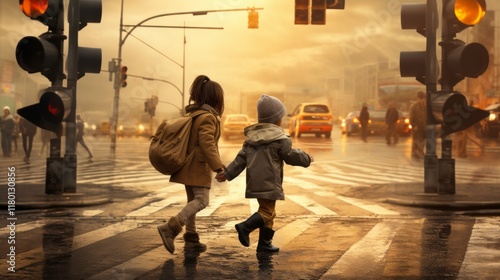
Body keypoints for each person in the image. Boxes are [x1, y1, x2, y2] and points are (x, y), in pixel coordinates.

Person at [216, 95, 314, 253]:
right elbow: (290, 156)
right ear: (277, 119)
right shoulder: (280, 139)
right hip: (270, 181)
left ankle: (265, 243)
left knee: (268, 211)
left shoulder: (251, 139)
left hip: (255, 181)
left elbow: (240, 159)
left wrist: (227, 174)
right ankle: (245, 227)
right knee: (267, 212)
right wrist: (306, 158)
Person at [157, 75, 226, 254]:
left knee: (192, 201)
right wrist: (218, 166)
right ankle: (171, 227)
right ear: (216, 99)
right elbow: (207, 143)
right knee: (202, 200)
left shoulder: (194, 114)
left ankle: (191, 237)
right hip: (198, 166)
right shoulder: (208, 118)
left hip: (188, 166)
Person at [409, 91, 426, 160]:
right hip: (418, 126)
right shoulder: (416, 105)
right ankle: (415, 153)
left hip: (422, 126)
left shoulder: (423, 105)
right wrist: (414, 125)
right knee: (417, 140)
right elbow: (412, 116)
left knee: (420, 140)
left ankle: (418, 153)